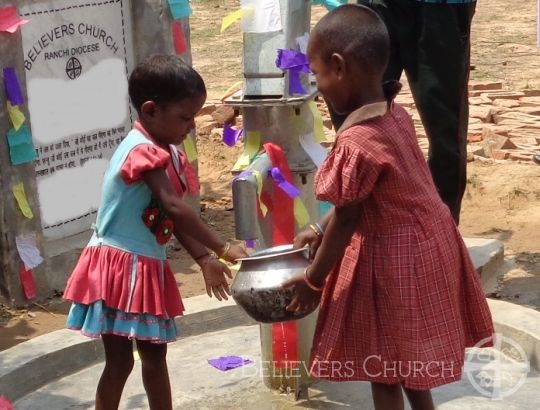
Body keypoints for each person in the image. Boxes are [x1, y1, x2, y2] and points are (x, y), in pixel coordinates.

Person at [284, 6, 494, 410]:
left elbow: (348, 216)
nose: (318, 87)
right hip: (429, 244)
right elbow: (359, 198)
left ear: (339, 67)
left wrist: (313, 281)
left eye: (317, 76)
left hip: (399, 260)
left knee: (382, 369)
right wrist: (316, 228)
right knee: (406, 363)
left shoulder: (357, 141)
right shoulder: (393, 114)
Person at [63, 54, 247, 410]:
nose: (192, 126)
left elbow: (171, 216)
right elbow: (176, 208)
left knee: (155, 357)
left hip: (144, 264)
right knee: (120, 362)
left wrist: (204, 258)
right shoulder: (140, 152)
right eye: (185, 117)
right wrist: (222, 247)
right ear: (150, 111)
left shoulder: (165, 150)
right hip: (118, 265)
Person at [328, 0, 476, 224]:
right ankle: (360, 224)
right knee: (354, 114)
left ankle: (441, 229)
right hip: (379, 6)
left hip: (439, 9)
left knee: (445, 130)